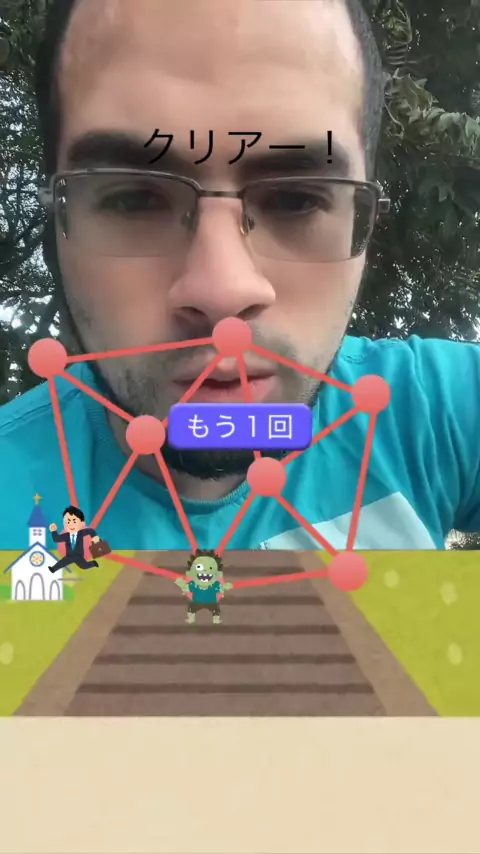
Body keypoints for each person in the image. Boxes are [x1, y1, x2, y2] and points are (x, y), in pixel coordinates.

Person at [0, 0, 478, 553]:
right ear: (56, 226)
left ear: (365, 224)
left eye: (297, 200)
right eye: (133, 200)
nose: (222, 291)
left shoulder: (438, 410)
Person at [49, 505, 101, 572]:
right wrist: (53, 531)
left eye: (74, 521)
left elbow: (91, 531)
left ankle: (53, 568)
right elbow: (56, 539)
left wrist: (94, 537)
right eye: (68, 522)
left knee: (77, 564)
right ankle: (53, 569)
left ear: (82, 523)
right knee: (80, 565)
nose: (71, 525)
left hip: (78, 555)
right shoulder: (66, 536)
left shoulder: (81, 533)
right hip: (70, 555)